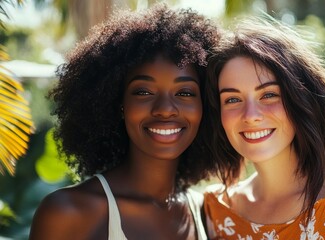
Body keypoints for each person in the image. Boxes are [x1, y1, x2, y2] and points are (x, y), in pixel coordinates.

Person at [202, 17, 325, 239]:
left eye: (269, 94)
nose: (250, 116)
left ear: (300, 98)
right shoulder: (218, 211)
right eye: (232, 99)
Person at [29, 4, 220, 240]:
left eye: (185, 93)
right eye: (143, 92)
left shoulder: (203, 213)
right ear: (118, 104)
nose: (165, 109)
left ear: (206, 106)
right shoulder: (69, 213)